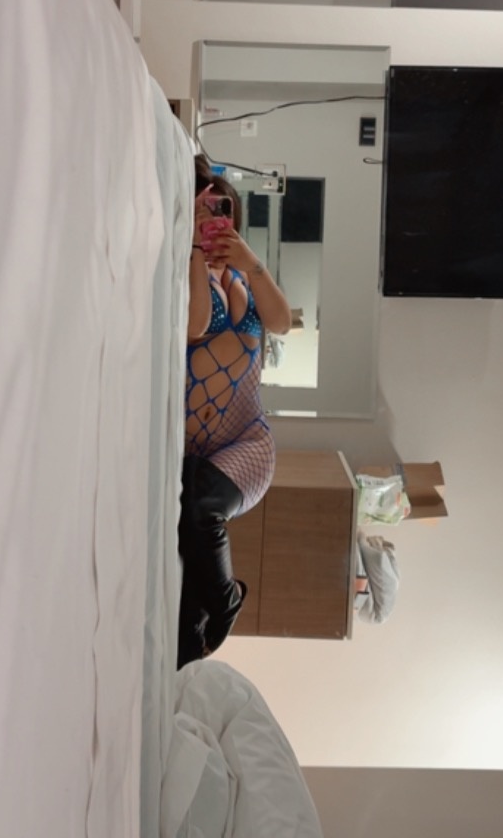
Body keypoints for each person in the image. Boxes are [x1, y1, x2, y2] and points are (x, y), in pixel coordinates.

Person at [177, 156, 291, 669]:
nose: (210, 220)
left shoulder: (247, 275)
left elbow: (281, 323)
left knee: (201, 502)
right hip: (195, 450)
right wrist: (195, 253)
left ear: (233, 216)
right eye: (200, 211)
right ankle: (190, 639)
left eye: (217, 210)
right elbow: (195, 326)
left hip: (247, 445)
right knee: (187, 512)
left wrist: (250, 262)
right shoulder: (185, 270)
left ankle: (225, 604)